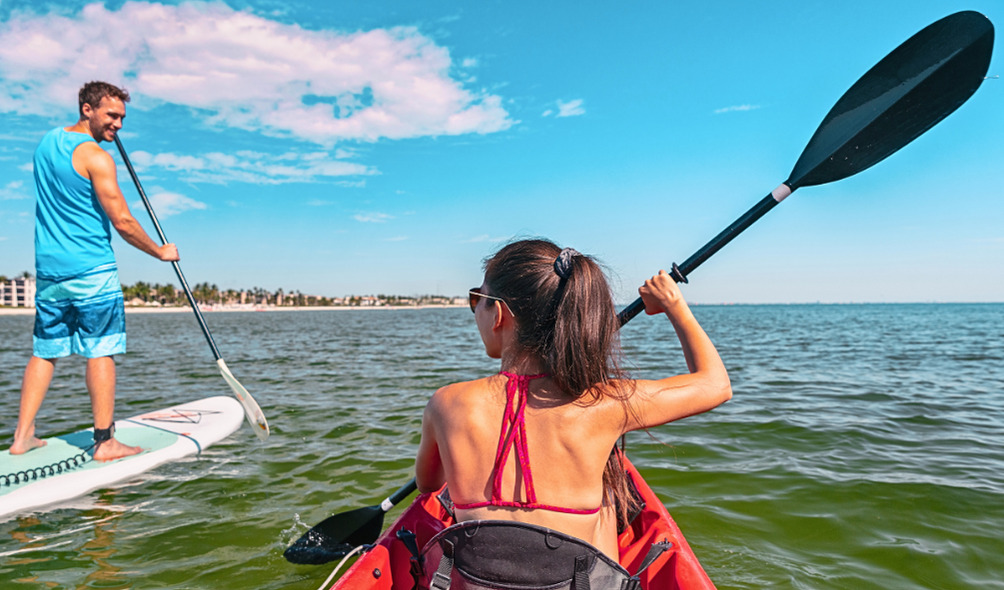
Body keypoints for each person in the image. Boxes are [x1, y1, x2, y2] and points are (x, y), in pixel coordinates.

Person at [414, 239, 731, 587]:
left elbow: (429, 485)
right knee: (608, 493)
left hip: (478, 580)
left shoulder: (445, 403)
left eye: (478, 299)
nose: (475, 309)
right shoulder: (606, 403)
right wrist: (674, 304)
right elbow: (716, 386)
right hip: (572, 579)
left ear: (499, 314)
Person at [9, 81, 179, 462]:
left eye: (122, 118)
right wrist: (159, 252)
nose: (118, 125)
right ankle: (105, 442)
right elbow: (121, 219)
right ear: (87, 109)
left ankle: (23, 436)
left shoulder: (47, 142)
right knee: (101, 352)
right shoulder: (97, 158)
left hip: (50, 271)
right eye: (111, 115)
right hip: (91, 269)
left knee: (45, 353)